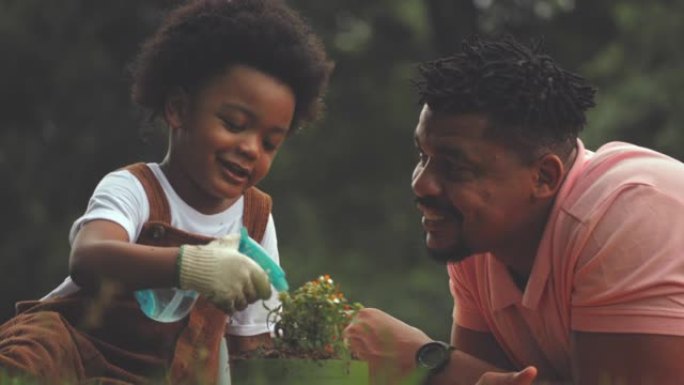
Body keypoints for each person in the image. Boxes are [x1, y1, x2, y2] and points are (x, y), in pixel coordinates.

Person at [0, 0, 332, 384]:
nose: (250, 148)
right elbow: (88, 259)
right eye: (234, 123)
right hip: (72, 359)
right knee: (35, 353)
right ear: (178, 109)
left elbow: (250, 346)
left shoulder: (255, 220)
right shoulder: (136, 188)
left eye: (270, 143)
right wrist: (192, 267)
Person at [344, 36, 684, 385]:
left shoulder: (628, 213)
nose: (421, 183)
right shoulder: (479, 241)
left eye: (455, 167)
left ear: (543, 177)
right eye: (422, 156)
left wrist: (424, 362)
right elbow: (488, 378)